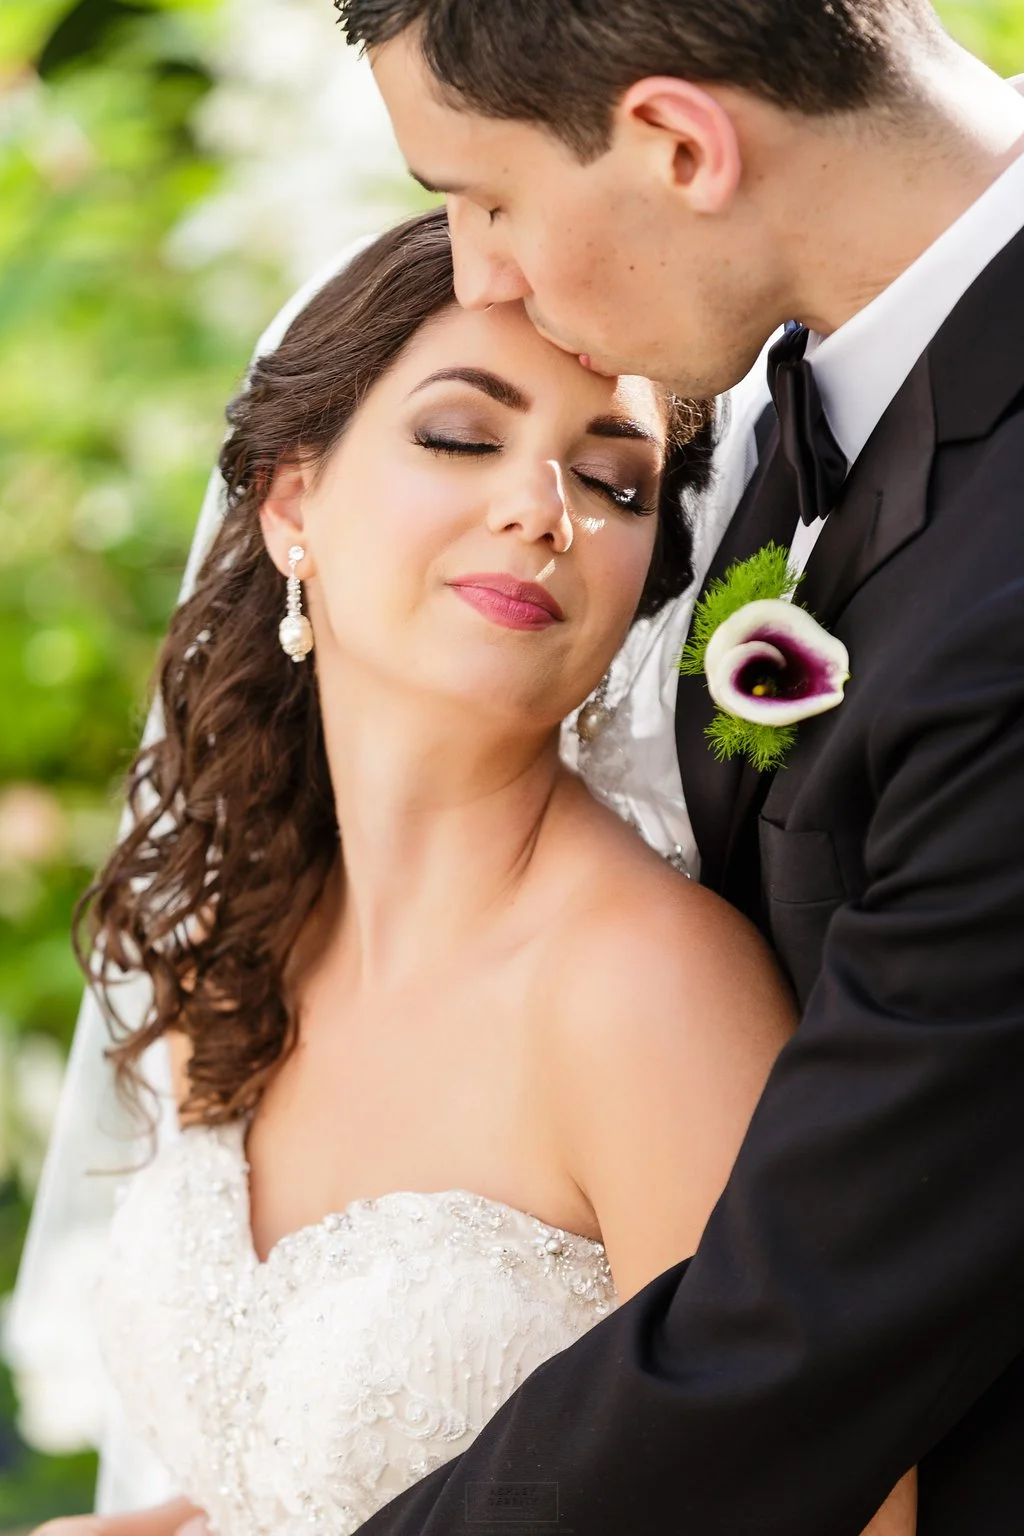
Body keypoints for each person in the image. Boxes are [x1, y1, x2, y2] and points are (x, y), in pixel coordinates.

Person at [36, 208, 904, 1536]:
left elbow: (839, 1512)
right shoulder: (233, 927)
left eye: (614, 480)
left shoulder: (641, 993)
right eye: (461, 436)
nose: (542, 509)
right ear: (290, 505)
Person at [312, 2, 1024, 1533]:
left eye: (484, 200)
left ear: (679, 146)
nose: (480, 273)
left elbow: (814, 1321)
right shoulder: (812, 410)